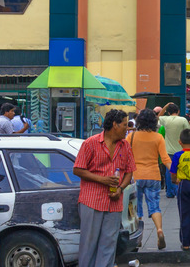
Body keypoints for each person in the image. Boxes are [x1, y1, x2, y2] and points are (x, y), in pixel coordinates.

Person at [73, 109, 136, 267]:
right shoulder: (91, 143)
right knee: (89, 244)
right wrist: (103, 180)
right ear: (114, 125)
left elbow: (129, 172)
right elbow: (78, 169)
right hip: (91, 200)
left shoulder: (125, 146)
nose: (127, 128)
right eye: (124, 124)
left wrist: (120, 188)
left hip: (114, 202)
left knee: (109, 244)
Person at [127, 108, 172, 250]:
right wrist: (176, 172)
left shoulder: (131, 137)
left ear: (139, 121)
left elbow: (126, 158)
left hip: (136, 176)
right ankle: (159, 230)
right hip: (153, 175)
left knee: (136, 208)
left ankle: (138, 239)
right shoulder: (158, 137)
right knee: (155, 206)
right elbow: (165, 159)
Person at [159, 103, 190, 199]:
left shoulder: (166, 119)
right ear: (178, 111)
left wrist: (165, 105)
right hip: (181, 149)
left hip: (168, 150)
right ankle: (179, 190)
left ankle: (170, 192)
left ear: (168, 112)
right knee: (181, 170)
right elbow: (188, 132)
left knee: (169, 171)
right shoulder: (183, 120)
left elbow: (158, 116)